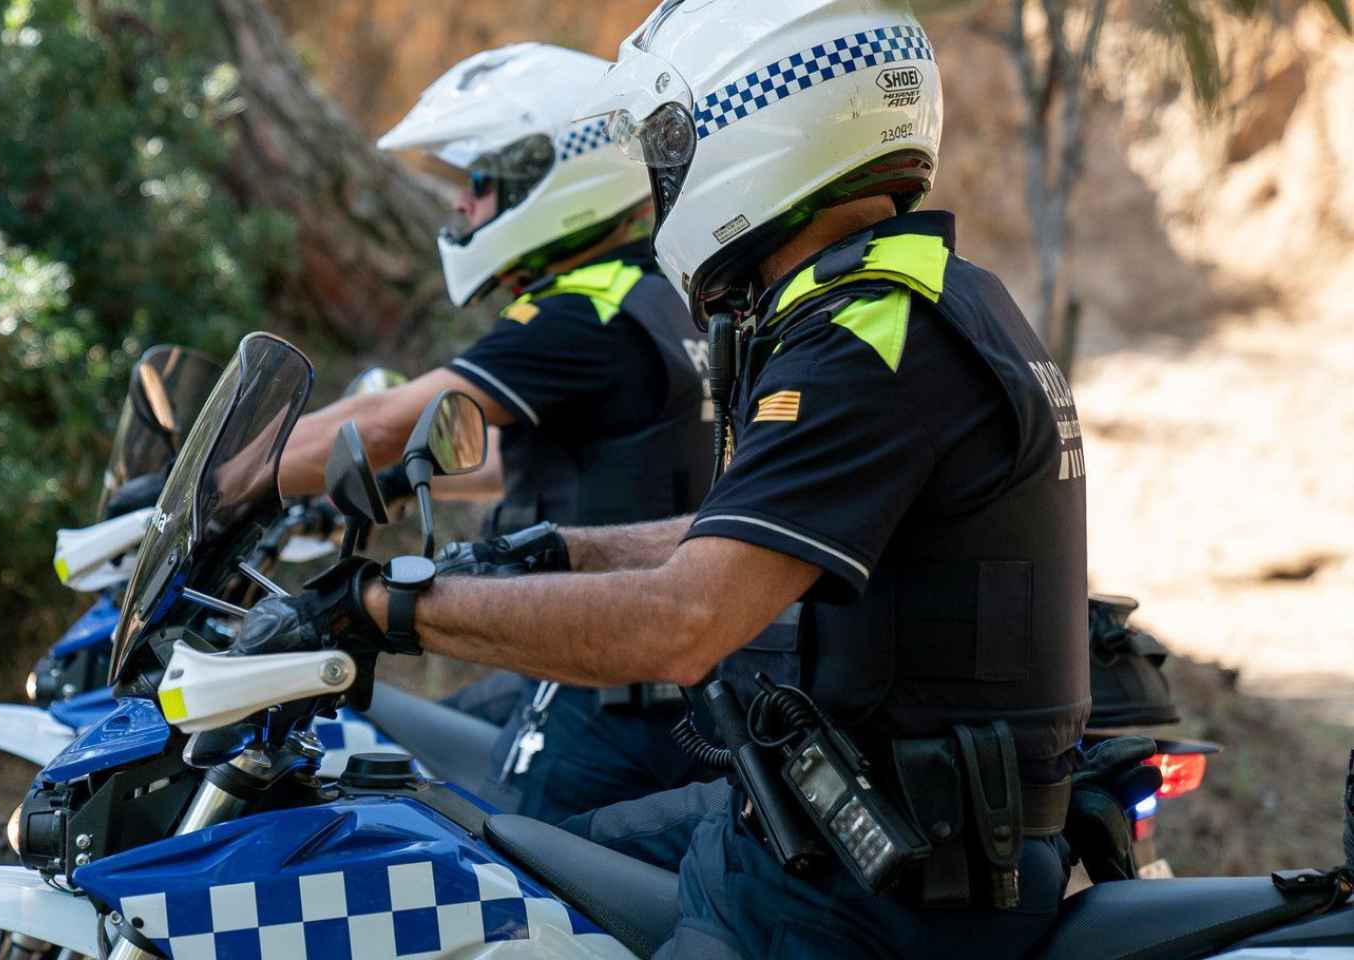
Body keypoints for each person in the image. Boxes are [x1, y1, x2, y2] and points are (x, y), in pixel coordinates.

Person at [237, 1, 1093, 957]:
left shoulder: (867, 340)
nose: (661, 179)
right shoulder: (927, 297)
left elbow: (681, 624)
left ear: (763, 130)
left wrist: (388, 609)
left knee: (500, 903)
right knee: (502, 873)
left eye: (673, 143)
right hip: (827, 828)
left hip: (867, 892)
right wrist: (557, 550)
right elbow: (741, 532)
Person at [272, 43, 723, 822]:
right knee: (416, 761)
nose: (464, 208)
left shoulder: (578, 313)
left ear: (555, 174)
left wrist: (228, 476)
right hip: (631, 667)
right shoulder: (654, 296)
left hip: (602, 675)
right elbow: (543, 458)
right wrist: (372, 490)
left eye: (480, 185)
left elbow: (386, 420)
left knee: (501, 881)